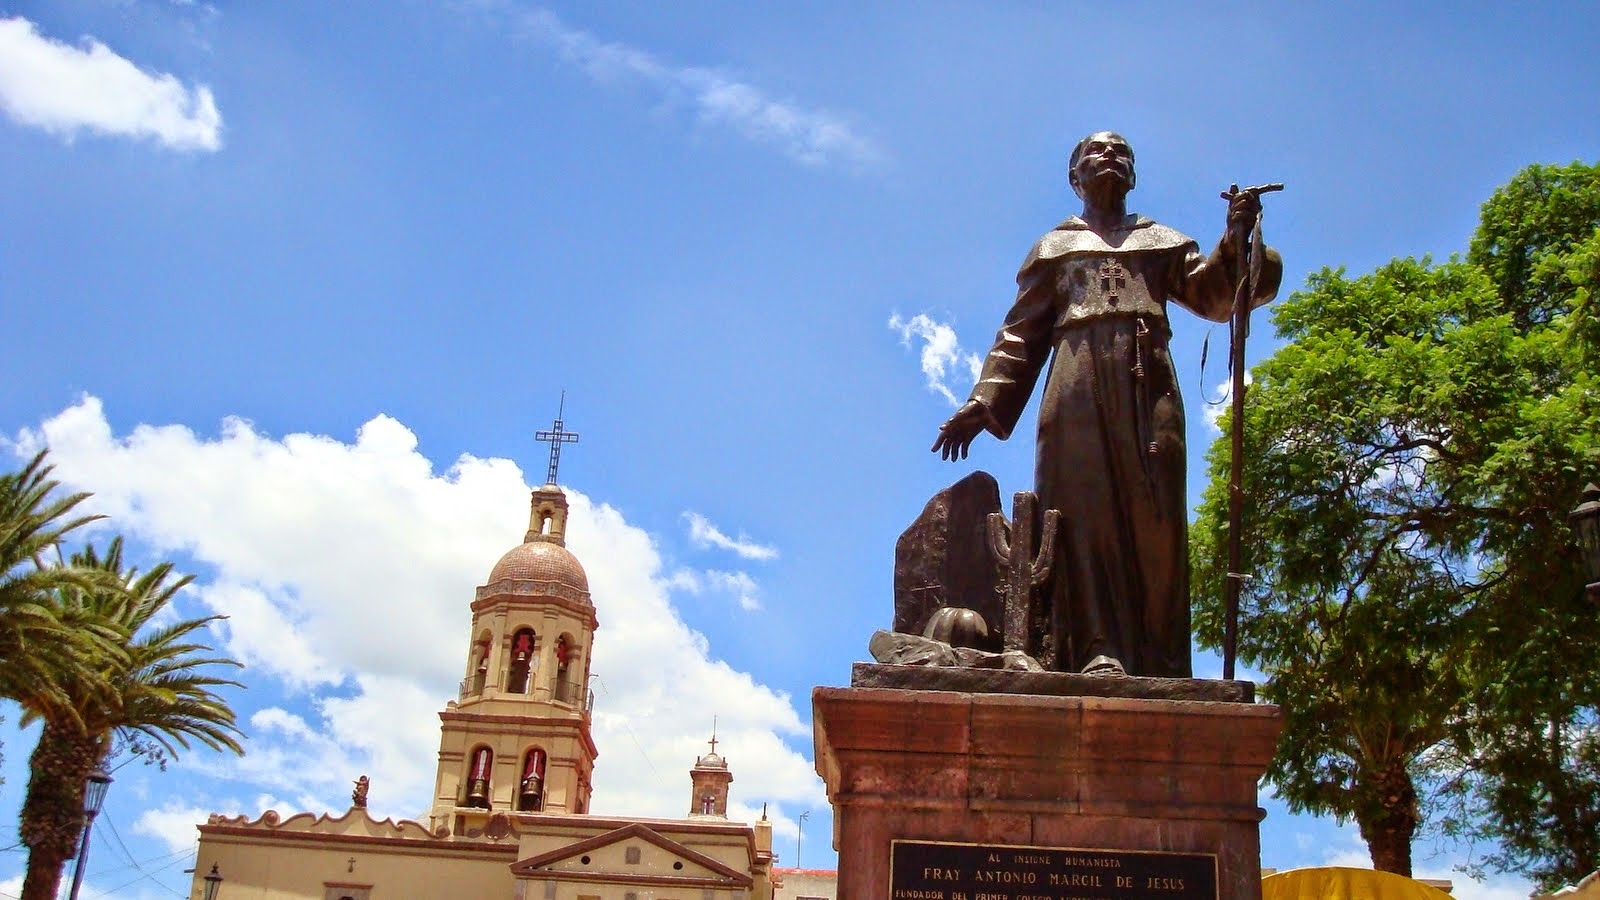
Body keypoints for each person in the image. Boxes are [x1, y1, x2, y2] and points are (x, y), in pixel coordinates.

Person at [932, 131, 1281, 678]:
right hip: (1075, 384)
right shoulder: (1055, 247)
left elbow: (1215, 293)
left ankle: (1162, 660)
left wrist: (1237, 240)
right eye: (1096, 152)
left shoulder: (1160, 241)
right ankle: (1095, 647)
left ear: (1134, 176)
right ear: (1074, 178)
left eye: (1122, 152)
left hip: (1150, 383)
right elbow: (1020, 334)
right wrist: (985, 401)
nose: (1110, 157)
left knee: (1157, 517)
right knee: (1079, 517)